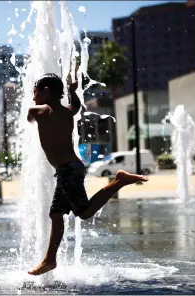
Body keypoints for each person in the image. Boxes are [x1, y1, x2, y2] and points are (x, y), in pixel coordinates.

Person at [26, 73, 148, 276]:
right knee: (56, 214)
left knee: (83, 212)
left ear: (46, 92)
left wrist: (38, 110)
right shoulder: (67, 113)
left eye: (35, 92)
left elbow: (30, 117)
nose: (33, 97)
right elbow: (75, 107)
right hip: (70, 168)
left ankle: (119, 181)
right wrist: (73, 91)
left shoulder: (37, 112)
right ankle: (50, 260)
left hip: (68, 170)